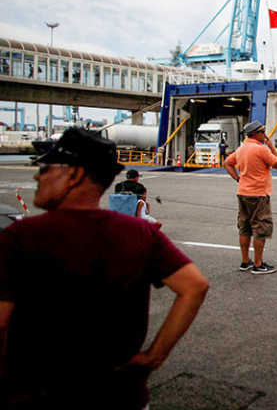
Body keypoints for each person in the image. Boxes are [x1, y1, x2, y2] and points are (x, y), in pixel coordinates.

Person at [0, 127, 209, 409]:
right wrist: (153, 358)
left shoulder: (22, 236)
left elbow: (1, 321)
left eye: (46, 168)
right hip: (122, 395)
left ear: (74, 175)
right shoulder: (141, 233)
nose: (38, 176)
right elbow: (195, 286)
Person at [224, 120, 277, 274]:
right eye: (262, 132)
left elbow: (227, 163)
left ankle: (245, 261)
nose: (264, 135)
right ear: (256, 134)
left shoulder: (241, 149)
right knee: (260, 228)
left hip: (243, 192)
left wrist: (238, 179)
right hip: (259, 193)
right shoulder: (260, 149)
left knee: (244, 228)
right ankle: (258, 264)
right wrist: (271, 146)